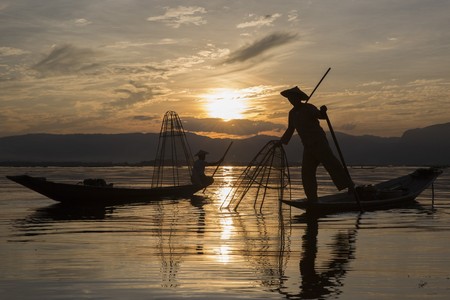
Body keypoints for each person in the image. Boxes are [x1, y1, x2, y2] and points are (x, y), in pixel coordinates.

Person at [278, 86, 354, 203]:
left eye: (293, 97)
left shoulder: (308, 108)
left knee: (331, 164)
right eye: (289, 98)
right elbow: (290, 129)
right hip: (308, 146)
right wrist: (281, 142)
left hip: (319, 142)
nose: (291, 100)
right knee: (307, 173)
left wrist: (323, 111)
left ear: (299, 98)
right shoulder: (292, 113)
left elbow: (321, 116)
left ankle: (350, 187)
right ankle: (312, 199)